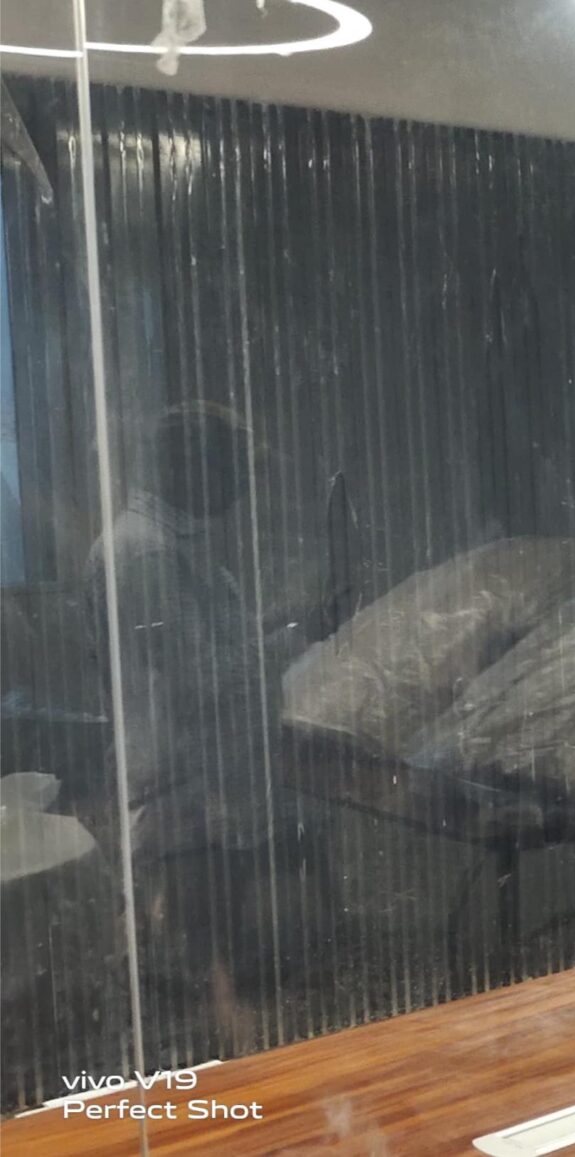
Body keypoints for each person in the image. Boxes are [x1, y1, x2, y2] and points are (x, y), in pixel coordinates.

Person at [87, 402, 287, 1052]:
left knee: (197, 942)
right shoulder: (146, 554)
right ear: (193, 470)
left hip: (189, 778)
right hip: (182, 783)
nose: (240, 490)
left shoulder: (165, 544)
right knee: (207, 961)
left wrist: (271, 632)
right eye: (232, 472)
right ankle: (229, 1072)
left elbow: (203, 650)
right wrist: (286, 644)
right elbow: (196, 678)